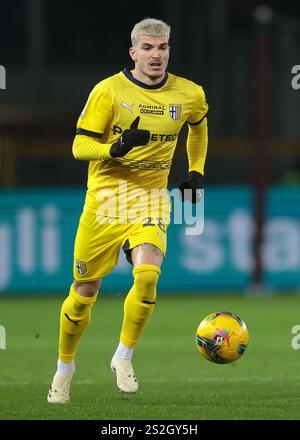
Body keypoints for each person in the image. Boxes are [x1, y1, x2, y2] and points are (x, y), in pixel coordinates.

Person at [47, 17, 208, 403]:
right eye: (149, 49)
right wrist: (113, 150)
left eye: (163, 47)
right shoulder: (108, 91)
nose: (157, 55)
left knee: (149, 274)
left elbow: (199, 127)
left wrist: (196, 171)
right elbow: (79, 146)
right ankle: (65, 367)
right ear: (133, 52)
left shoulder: (189, 93)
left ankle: (123, 356)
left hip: (150, 198)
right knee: (84, 291)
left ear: (170, 49)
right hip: (104, 200)